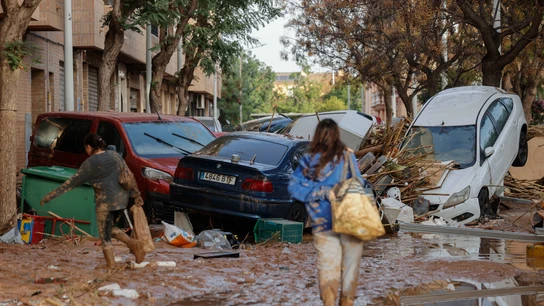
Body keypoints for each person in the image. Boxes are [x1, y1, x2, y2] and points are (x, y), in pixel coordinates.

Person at [288, 119, 367, 306]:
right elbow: (360, 183)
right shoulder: (348, 156)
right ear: (337, 135)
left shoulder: (310, 159)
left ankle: (329, 303)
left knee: (328, 266)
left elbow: (294, 187)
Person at [40, 134, 146, 269]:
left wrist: (49, 196)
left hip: (106, 203)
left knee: (105, 236)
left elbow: (71, 183)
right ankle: (133, 244)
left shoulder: (90, 163)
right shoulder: (115, 156)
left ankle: (111, 267)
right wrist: (136, 195)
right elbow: (128, 177)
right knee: (110, 228)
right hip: (121, 200)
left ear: (89, 147)